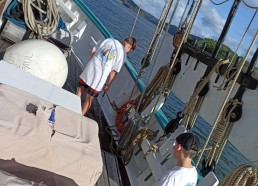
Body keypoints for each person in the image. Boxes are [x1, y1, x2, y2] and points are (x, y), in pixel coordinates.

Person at [77, 37, 137, 116]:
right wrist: (107, 85)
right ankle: (79, 116)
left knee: (80, 90)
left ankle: (71, 108)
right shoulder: (123, 55)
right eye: (130, 51)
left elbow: (92, 51)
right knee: (89, 98)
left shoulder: (109, 40)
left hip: (89, 69)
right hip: (99, 79)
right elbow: (113, 72)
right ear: (130, 47)